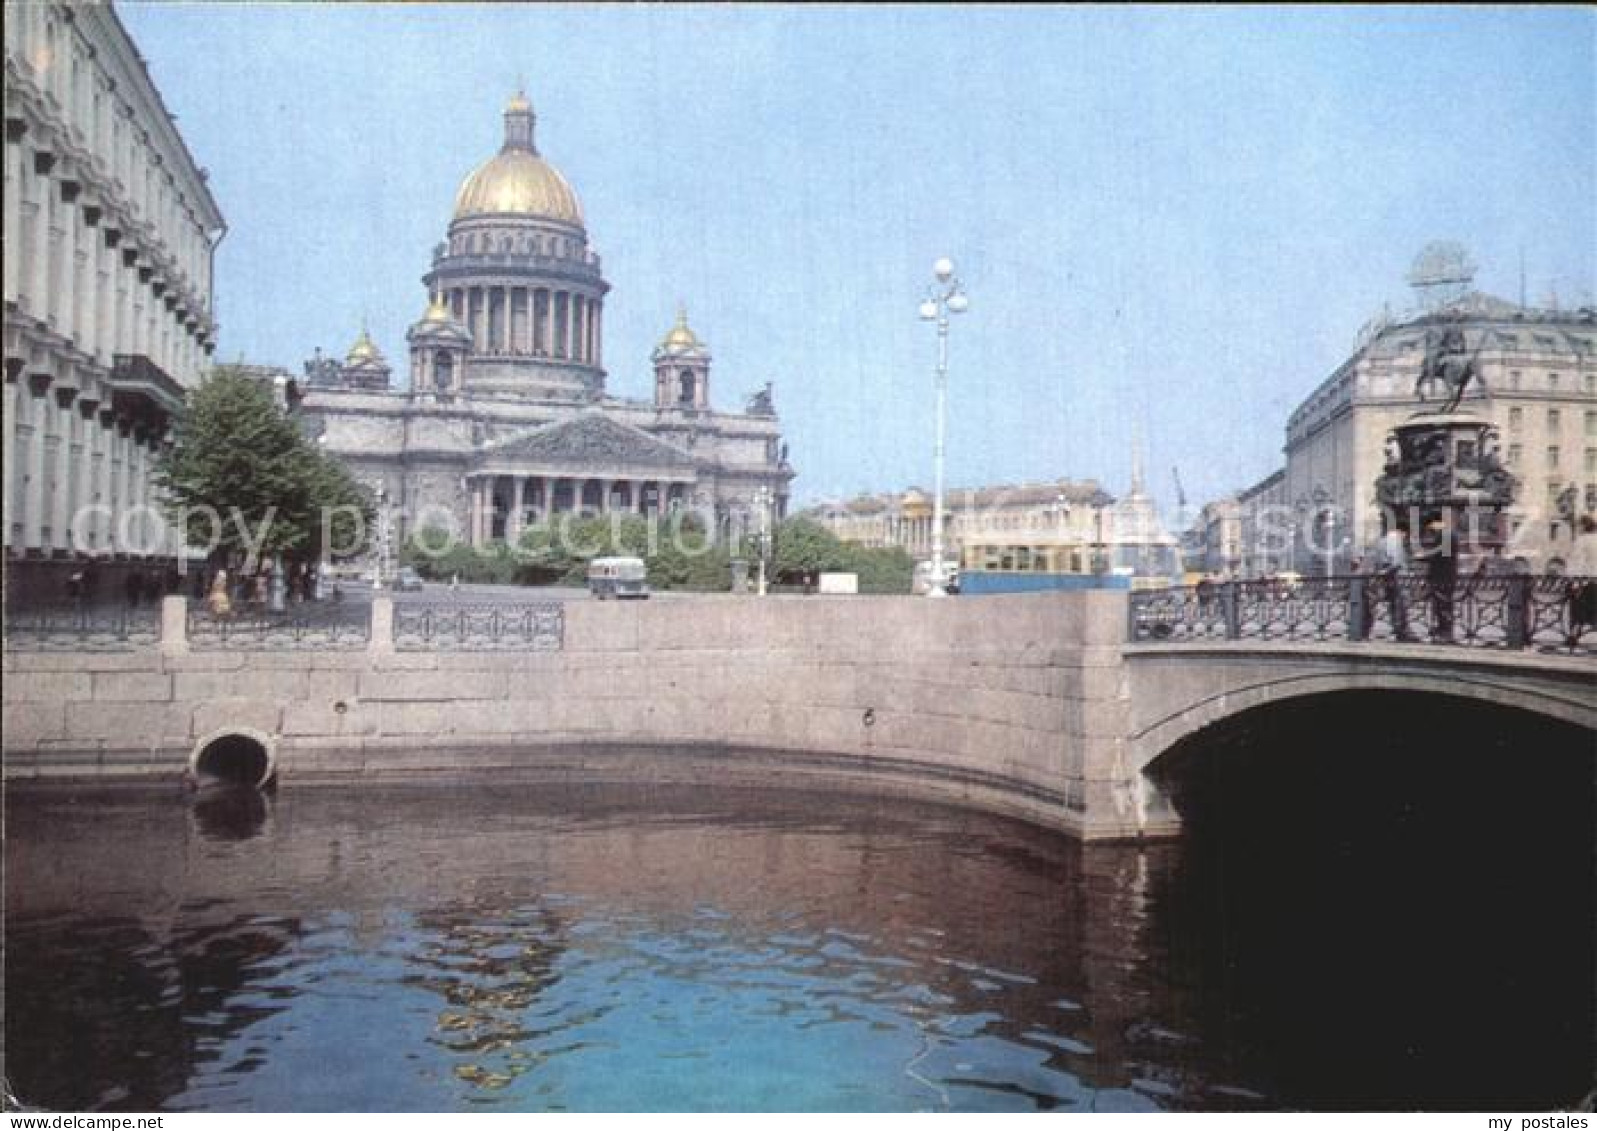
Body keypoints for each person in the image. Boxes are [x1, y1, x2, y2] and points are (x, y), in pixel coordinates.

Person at [1418, 518, 1457, 643]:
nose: (1431, 528)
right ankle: (1442, 631)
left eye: (1432, 524)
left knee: (1443, 605)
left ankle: (1445, 633)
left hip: (1443, 577)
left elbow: (1440, 553)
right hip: (1443, 576)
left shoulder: (1446, 534)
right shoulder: (1447, 533)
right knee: (1441, 605)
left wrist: (1423, 556)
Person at [1376, 524, 1415, 642]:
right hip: (1398, 578)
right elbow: (1396, 562)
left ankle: (1398, 629)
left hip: (1389, 578)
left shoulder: (1382, 540)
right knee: (1401, 605)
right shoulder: (1394, 539)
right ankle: (1402, 632)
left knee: (1394, 605)